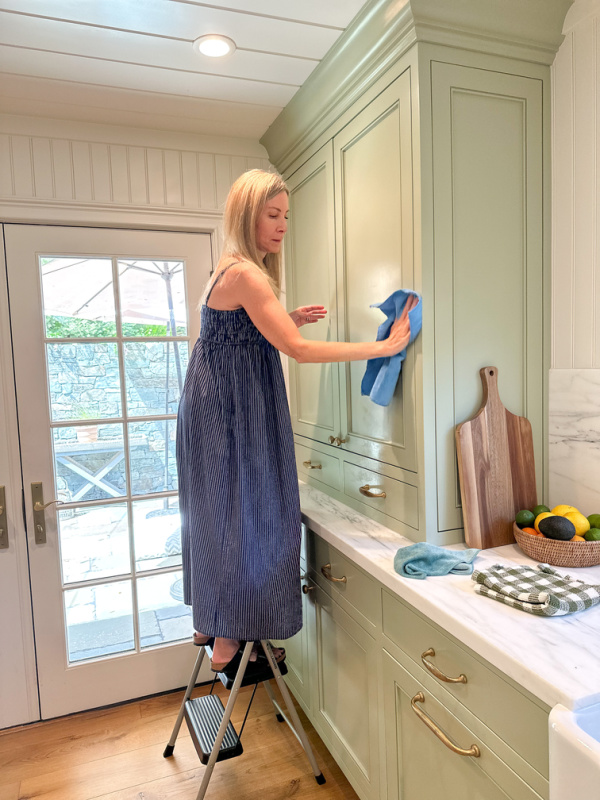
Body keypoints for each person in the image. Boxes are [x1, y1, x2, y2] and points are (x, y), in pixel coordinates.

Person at [176, 169, 416, 672]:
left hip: (217, 405)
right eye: (272, 214)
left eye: (286, 215)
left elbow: (243, 331)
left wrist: (285, 321)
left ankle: (210, 618)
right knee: (246, 512)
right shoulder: (245, 273)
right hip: (233, 411)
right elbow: (300, 352)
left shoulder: (231, 269)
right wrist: (385, 346)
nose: (283, 225)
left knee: (218, 507)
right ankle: (228, 634)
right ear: (247, 214)